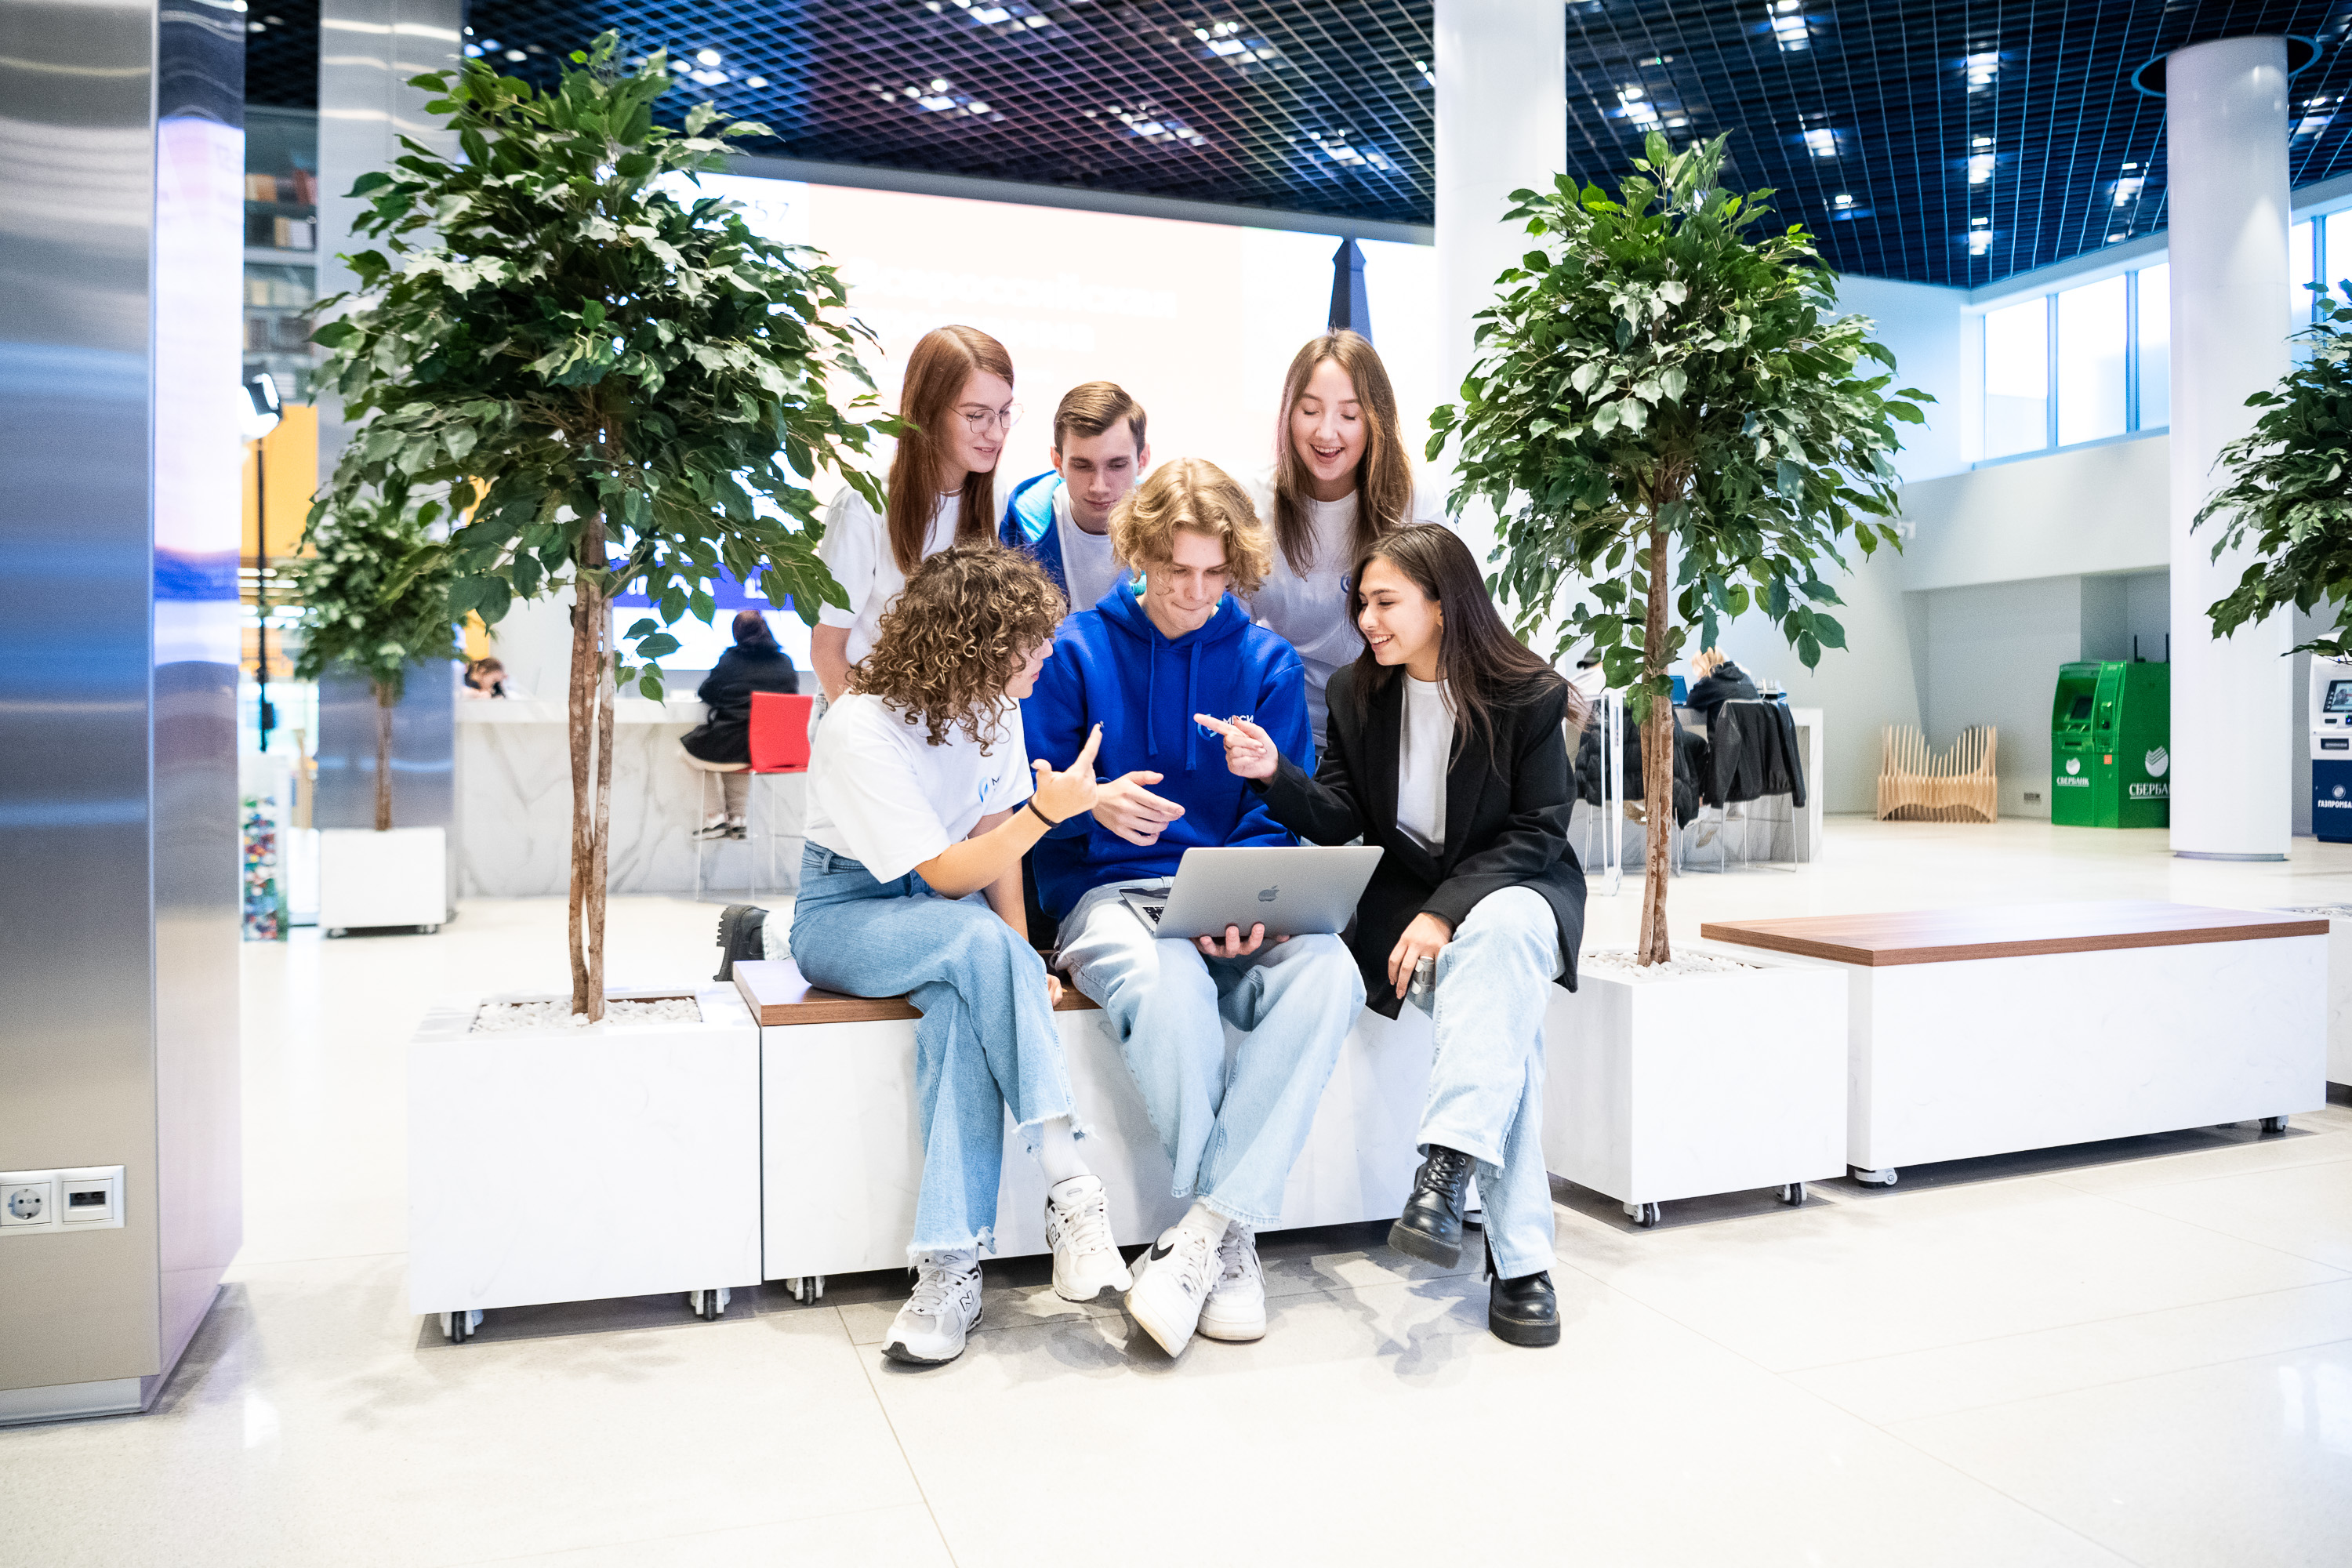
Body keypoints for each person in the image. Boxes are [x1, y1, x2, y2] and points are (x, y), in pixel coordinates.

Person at [1200, 523, 1584, 1348]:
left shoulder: (1527, 693)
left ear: (1442, 605)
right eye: (1362, 604)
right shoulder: (1356, 692)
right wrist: (1273, 773)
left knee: (1504, 937)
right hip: (1402, 907)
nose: (1366, 621)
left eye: (1385, 603)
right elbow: (1340, 815)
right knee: (1502, 1020)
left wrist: (1446, 912)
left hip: (1512, 888)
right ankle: (1514, 1255)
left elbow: (1538, 830)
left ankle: (1448, 1167)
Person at [1024, 458, 1366, 1359]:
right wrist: (1090, 804)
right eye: (1178, 569)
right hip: (1109, 893)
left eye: (1217, 573)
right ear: (1139, 552)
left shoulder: (1265, 662)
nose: (1197, 591)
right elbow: (1032, 798)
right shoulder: (1074, 651)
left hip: (1228, 895)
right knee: (1167, 985)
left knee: (1330, 972)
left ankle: (1205, 1230)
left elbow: (1273, 811)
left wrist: (1248, 890)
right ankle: (1233, 1234)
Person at [771, 546, 1129, 1367]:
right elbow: (945, 871)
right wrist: (1047, 813)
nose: (1047, 653)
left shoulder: (996, 708)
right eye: (1029, 640)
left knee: (970, 1001)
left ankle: (947, 1268)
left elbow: (994, 846)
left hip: (953, 919)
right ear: (975, 642)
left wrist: (1024, 956)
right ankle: (1071, 1184)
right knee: (973, 941)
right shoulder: (861, 724)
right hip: (847, 911)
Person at [1244, 330, 1450, 742]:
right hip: (1282, 725)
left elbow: (1451, 619)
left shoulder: (1412, 500)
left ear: (1376, 421)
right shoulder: (1253, 502)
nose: (1326, 433)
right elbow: (1228, 629)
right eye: (1310, 411)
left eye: (1349, 416)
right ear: (1288, 414)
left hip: (1391, 725)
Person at [810, 324, 1016, 706]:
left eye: (1004, 413)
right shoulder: (865, 503)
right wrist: (870, 731)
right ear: (929, 410)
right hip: (861, 710)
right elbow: (827, 651)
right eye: (977, 415)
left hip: (937, 719)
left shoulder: (996, 494)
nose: (997, 433)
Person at [1000, 380, 1151, 626]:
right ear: (1057, 462)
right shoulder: (1016, 529)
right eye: (1082, 466)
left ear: (1142, 459)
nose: (1099, 487)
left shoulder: (1173, 529)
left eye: (1117, 465)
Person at [677, 609, 802, 840]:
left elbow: (707, 692)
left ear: (736, 633)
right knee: (738, 758)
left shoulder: (731, 661)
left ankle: (715, 818)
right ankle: (738, 819)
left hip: (734, 742)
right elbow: (791, 699)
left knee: (687, 754)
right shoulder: (785, 662)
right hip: (771, 749)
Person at [1686, 647, 1759, 725]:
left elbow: (1690, 703)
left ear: (1701, 666)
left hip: (1727, 732)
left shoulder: (1709, 682)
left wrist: (1700, 680)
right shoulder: (1744, 677)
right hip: (1755, 731)